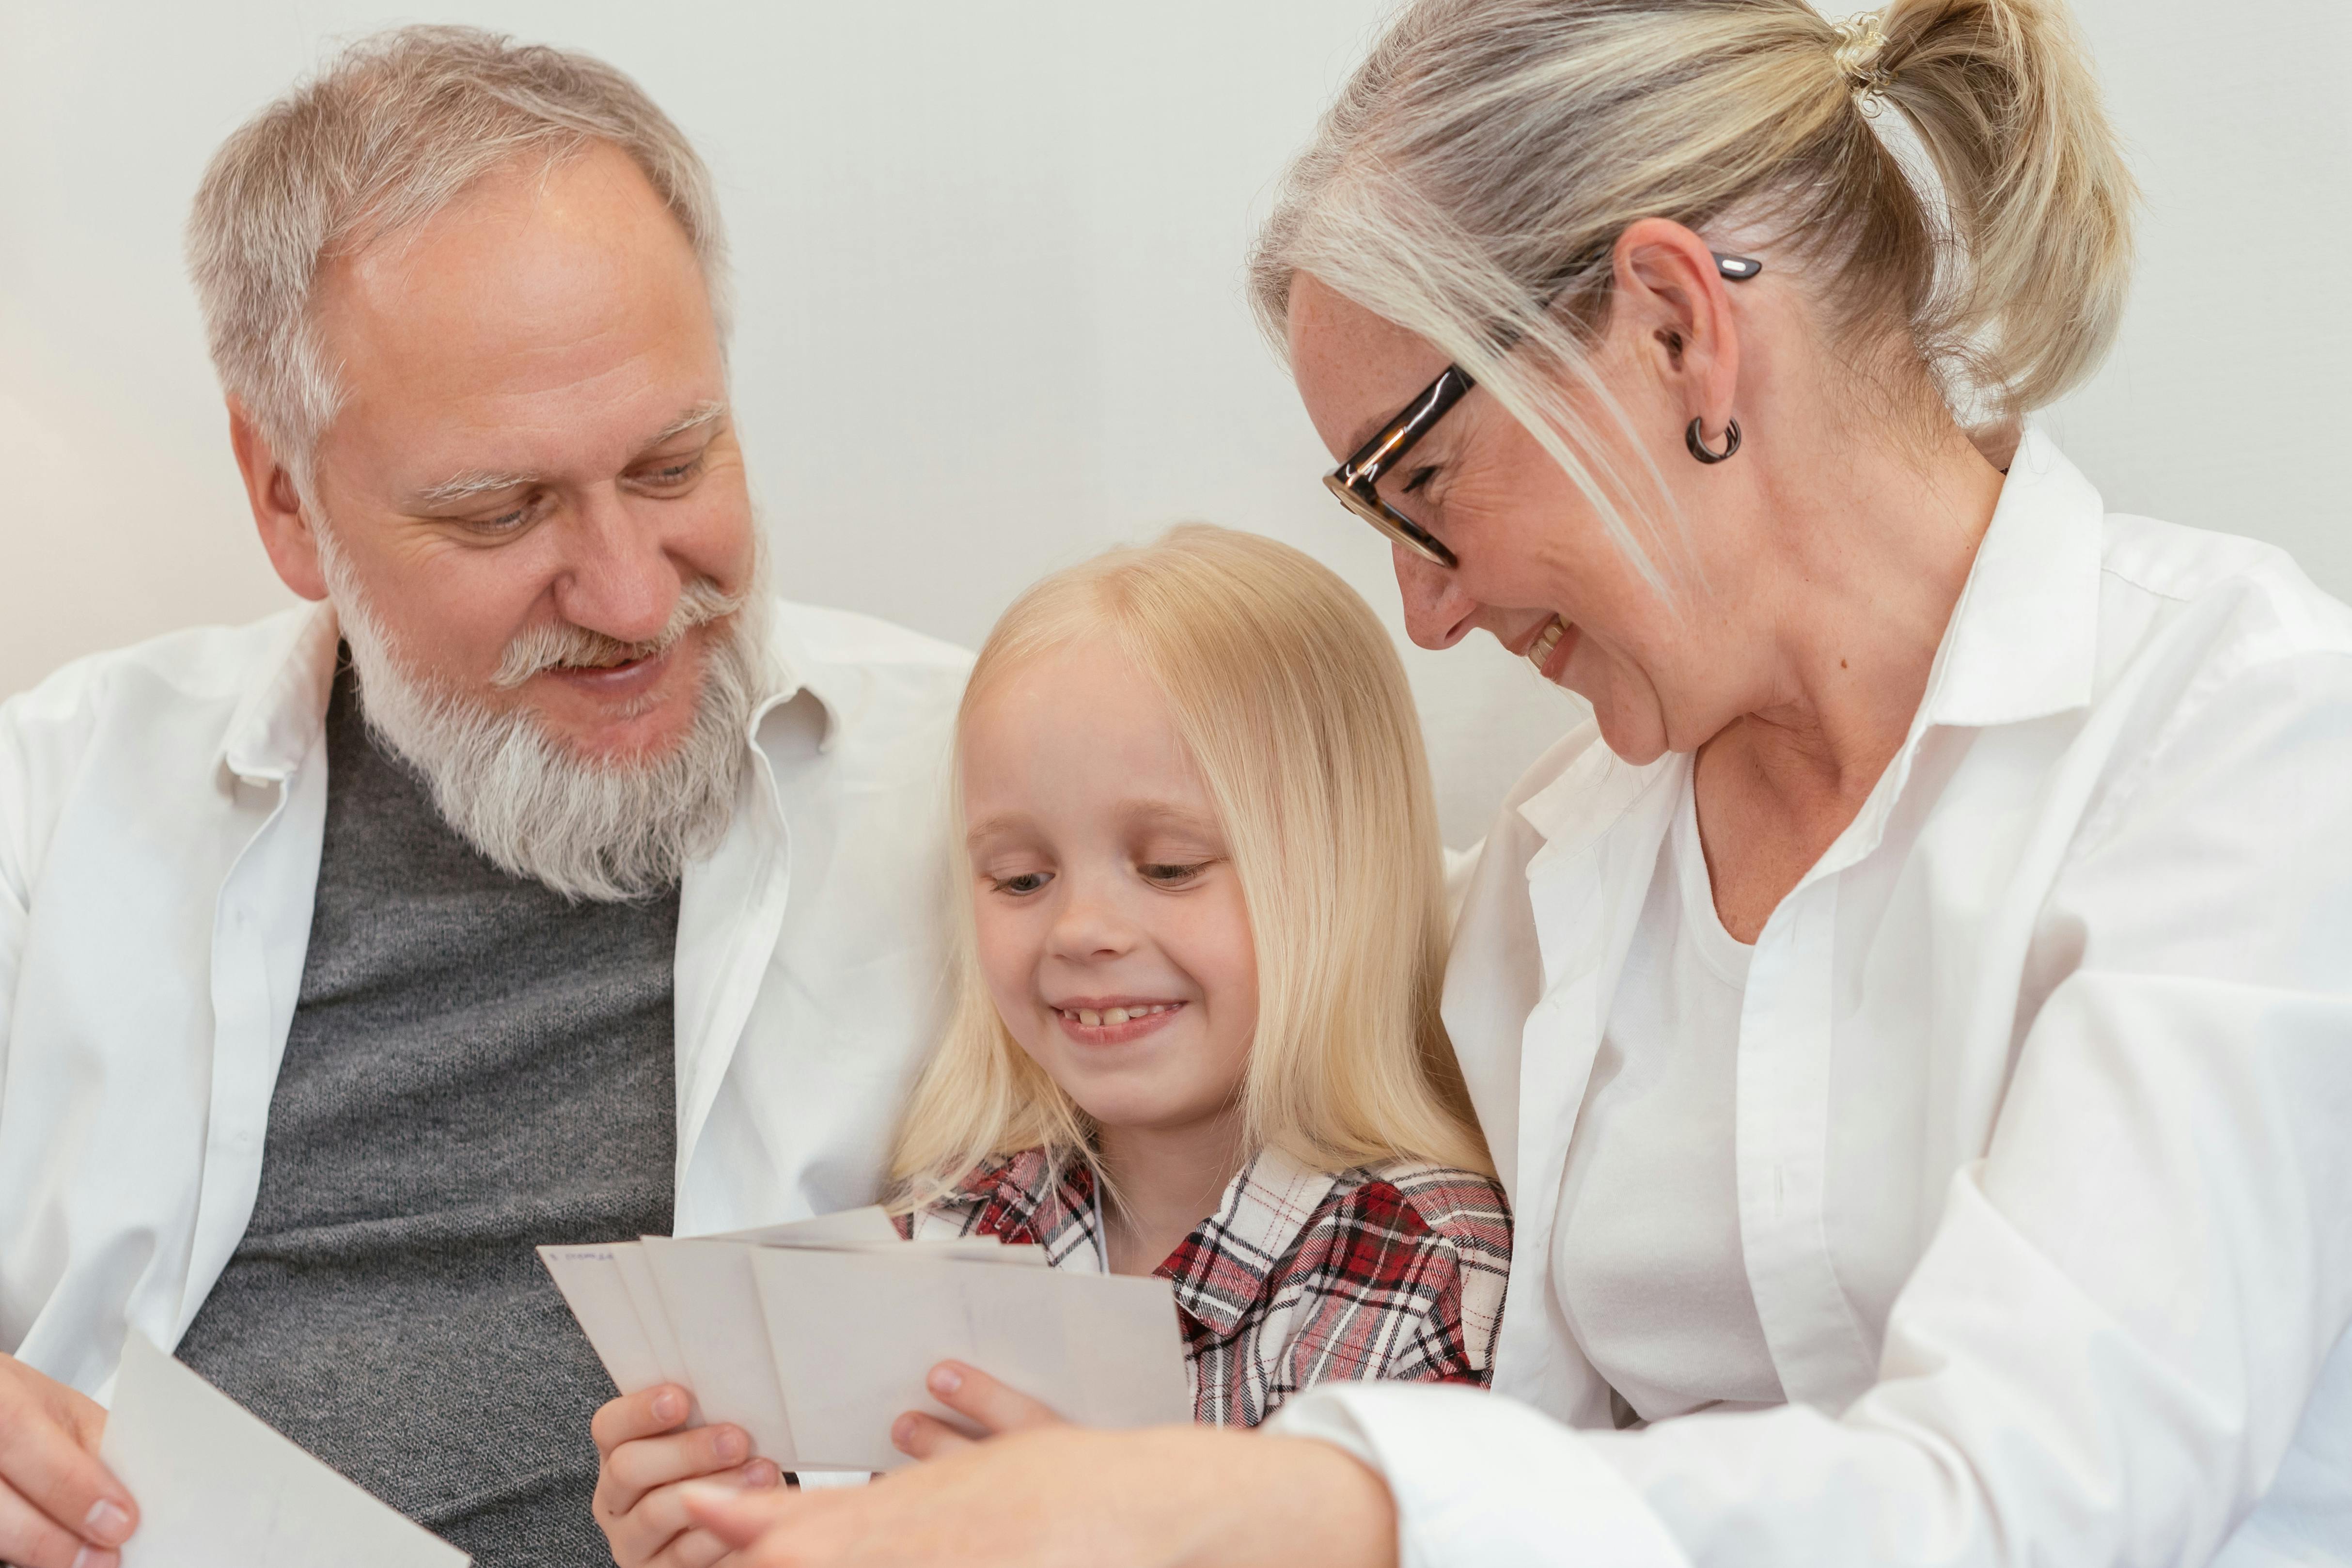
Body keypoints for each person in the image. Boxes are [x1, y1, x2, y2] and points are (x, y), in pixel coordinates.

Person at [679, 0, 2352, 1564]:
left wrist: (1269, 1503)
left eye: (1420, 477)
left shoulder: (2246, 738)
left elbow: (2027, 1493)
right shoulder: (1564, 867)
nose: (1428, 603)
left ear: (1677, 326)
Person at [0, 27, 969, 1568]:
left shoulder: (995, 791)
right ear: (284, 498)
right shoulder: (52, 809)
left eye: (670, 464)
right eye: (499, 507)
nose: (632, 595)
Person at [589, 526, 1512, 1565]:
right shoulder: (961, 1226)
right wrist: (726, 1534)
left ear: (1340, 878)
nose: (1080, 930)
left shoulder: (1414, 1260)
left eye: (1167, 866)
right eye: (1023, 880)